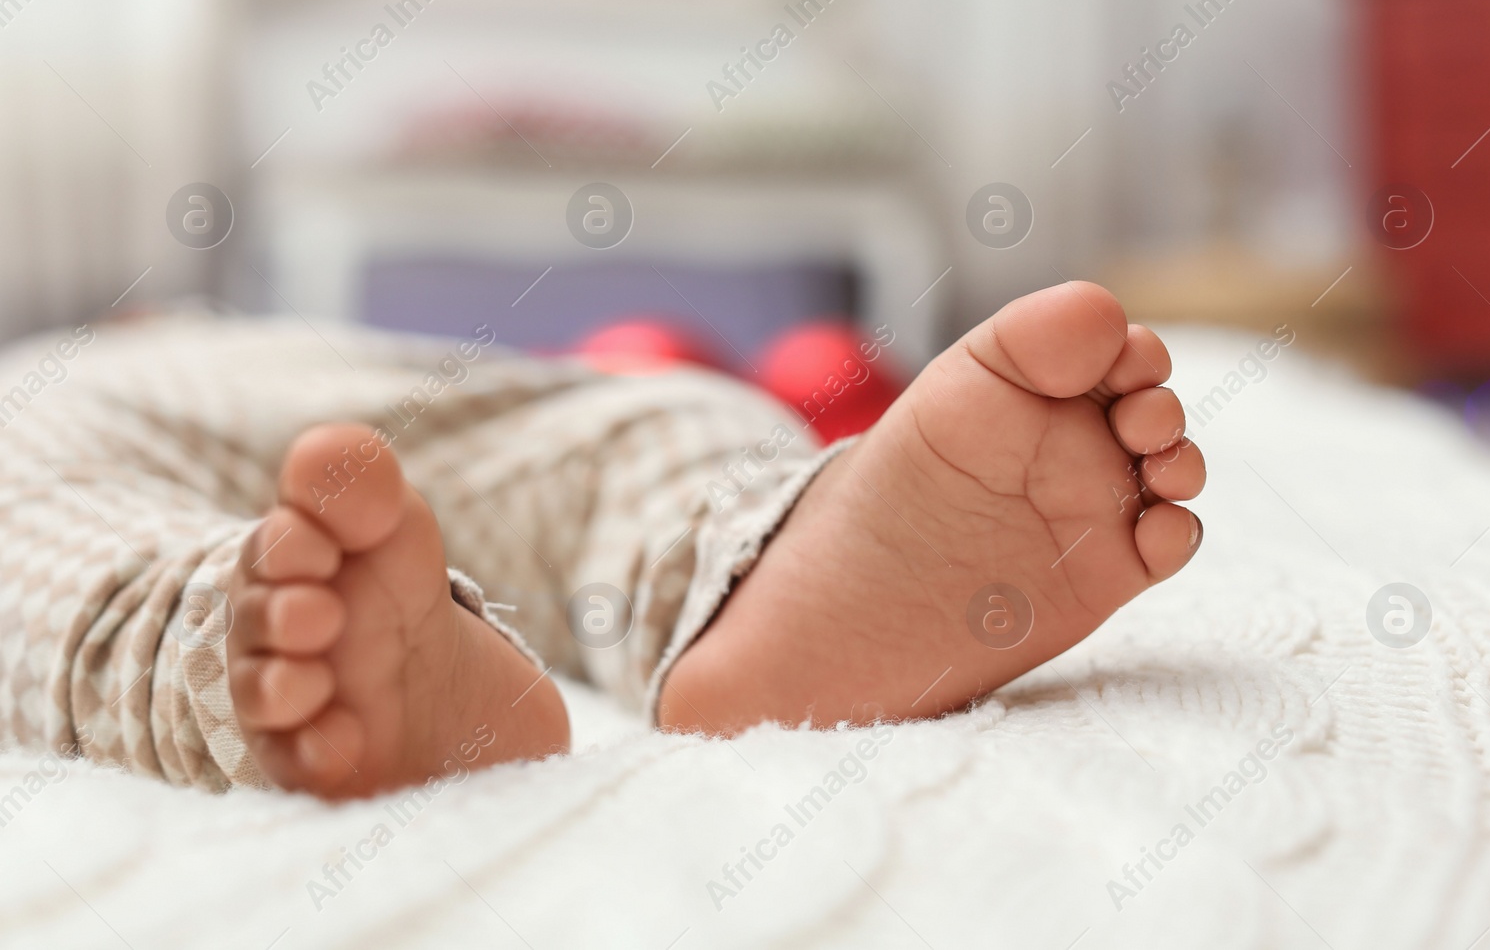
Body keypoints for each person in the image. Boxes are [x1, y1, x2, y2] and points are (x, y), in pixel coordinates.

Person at [0, 280, 1203, 797]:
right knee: (627, 424)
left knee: (620, 408)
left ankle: (769, 567)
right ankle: (731, 557)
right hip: (357, 412)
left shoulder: (161, 336)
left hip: (303, 395)